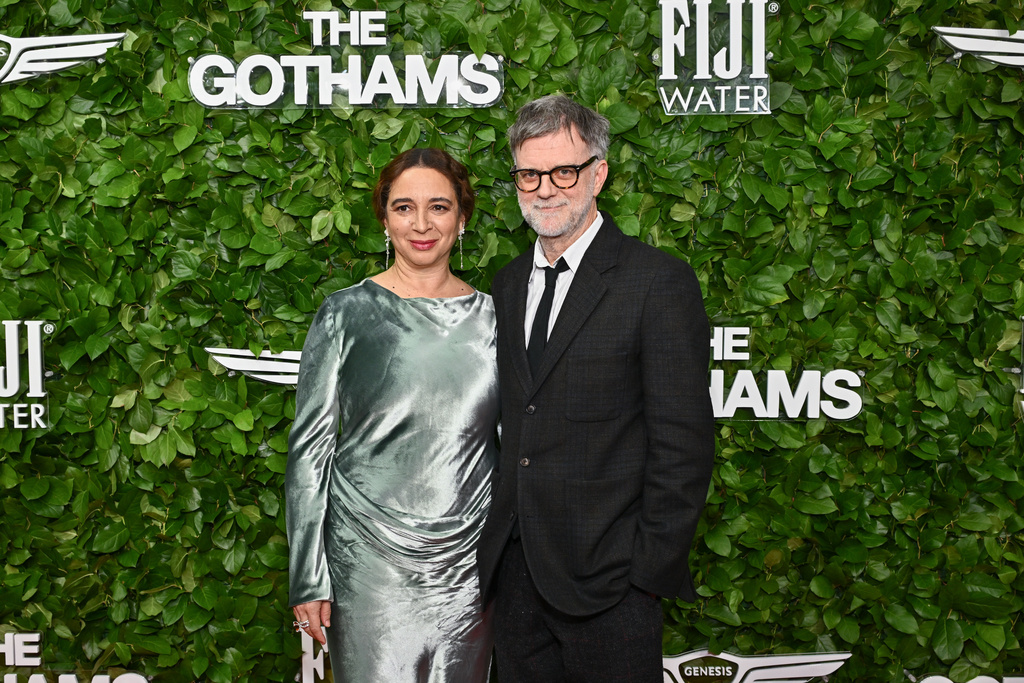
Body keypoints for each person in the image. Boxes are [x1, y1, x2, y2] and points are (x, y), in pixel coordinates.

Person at [476, 95, 715, 681]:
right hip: (516, 580)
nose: (546, 189)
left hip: (612, 587)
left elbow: (683, 445)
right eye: (529, 174)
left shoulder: (656, 282)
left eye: (564, 170)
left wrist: (643, 573)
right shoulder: (505, 285)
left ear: (599, 173)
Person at [286, 148, 497, 682]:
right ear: (384, 219)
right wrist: (309, 576)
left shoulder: (499, 319)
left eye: (439, 207)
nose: (422, 224)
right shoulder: (344, 313)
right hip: (369, 566)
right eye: (404, 208)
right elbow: (310, 451)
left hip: (470, 570)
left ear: (463, 218)